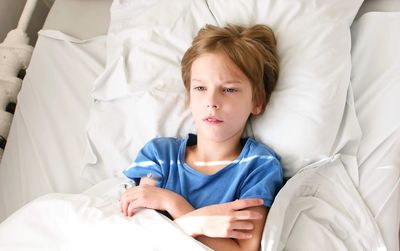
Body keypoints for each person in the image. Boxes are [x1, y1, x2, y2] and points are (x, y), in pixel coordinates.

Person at [119, 23, 282, 251]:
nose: (212, 101)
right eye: (200, 88)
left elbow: (244, 250)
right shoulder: (158, 155)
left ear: (257, 102)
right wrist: (198, 221)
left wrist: (175, 205)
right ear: (189, 96)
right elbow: (141, 234)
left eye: (229, 89)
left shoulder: (258, 165)